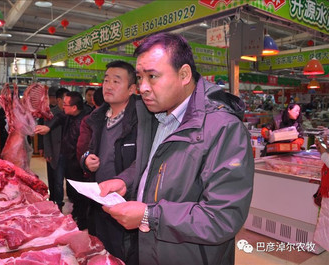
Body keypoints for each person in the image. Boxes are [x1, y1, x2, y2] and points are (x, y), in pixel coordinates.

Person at [98, 33, 254, 265]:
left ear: (184, 75)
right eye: (140, 77)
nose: (143, 88)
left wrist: (150, 215)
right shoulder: (157, 115)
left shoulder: (223, 129)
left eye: (152, 77)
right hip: (151, 250)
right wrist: (126, 182)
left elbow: (223, 217)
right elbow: (156, 165)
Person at [80, 61, 138, 264]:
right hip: (98, 202)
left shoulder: (141, 120)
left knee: (121, 255)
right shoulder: (97, 118)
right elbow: (86, 150)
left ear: (132, 89)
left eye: (116, 81)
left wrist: (123, 182)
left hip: (125, 204)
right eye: (106, 80)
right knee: (101, 252)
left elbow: (144, 162)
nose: (108, 85)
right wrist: (86, 159)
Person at [35, 91, 90, 229]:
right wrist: (48, 127)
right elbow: (58, 117)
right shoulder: (68, 115)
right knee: (72, 191)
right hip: (69, 162)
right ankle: (76, 215)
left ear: (74, 107)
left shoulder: (86, 120)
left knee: (81, 194)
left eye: (65, 104)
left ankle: (83, 222)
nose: (62, 106)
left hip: (80, 164)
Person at [43, 87, 69, 211]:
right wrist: (47, 151)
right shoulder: (50, 113)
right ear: (59, 100)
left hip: (69, 153)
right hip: (56, 151)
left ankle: (64, 200)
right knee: (57, 181)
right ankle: (58, 204)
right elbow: (45, 134)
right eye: (65, 99)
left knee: (68, 180)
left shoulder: (71, 112)